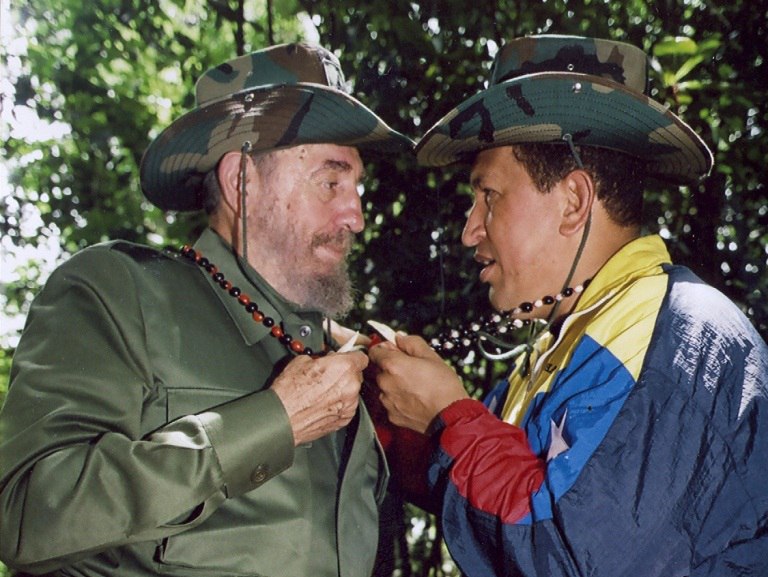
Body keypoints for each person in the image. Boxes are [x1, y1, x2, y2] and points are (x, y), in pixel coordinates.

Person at [0, 43, 413, 577]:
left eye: (357, 186)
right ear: (240, 181)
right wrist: (271, 423)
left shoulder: (343, 354)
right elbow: (25, 514)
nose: (355, 215)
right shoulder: (122, 292)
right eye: (331, 181)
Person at [369, 35, 768, 576]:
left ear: (574, 201)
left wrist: (449, 415)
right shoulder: (570, 344)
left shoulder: (681, 336)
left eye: (489, 196)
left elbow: (569, 553)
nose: (469, 231)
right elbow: (481, 500)